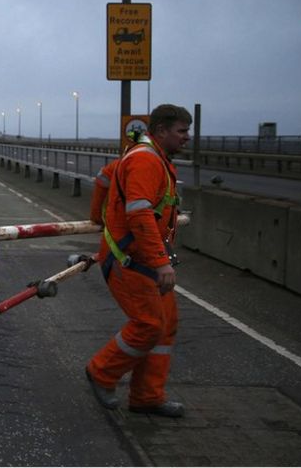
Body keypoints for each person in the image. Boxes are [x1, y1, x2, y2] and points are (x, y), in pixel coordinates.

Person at [85, 104, 192, 418]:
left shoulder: (149, 156)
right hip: (130, 259)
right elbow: (139, 213)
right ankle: (101, 372)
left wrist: (97, 217)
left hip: (145, 256)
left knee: (165, 326)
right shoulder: (146, 160)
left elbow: (105, 176)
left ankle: (147, 396)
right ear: (161, 131)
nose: (187, 137)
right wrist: (161, 262)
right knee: (149, 325)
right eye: (181, 131)